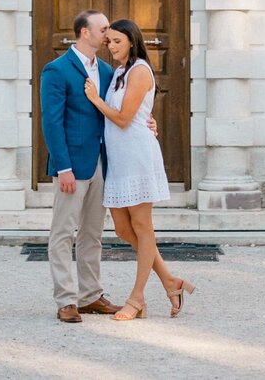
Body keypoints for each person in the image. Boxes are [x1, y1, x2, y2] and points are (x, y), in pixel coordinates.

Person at [84, 18, 196, 322]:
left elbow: (122, 118)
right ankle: (170, 281)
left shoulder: (141, 70)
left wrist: (94, 99)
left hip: (137, 156)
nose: (111, 45)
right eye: (109, 41)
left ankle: (137, 299)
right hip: (119, 159)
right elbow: (135, 115)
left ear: (132, 42)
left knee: (143, 227)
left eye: (118, 41)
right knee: (122, 228)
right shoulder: (119, 72)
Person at [39, 9, 123, 324]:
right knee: (62, 232)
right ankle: (66, 300)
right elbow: (51, 122)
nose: (108, 34)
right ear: (84, 32)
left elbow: (114, 112)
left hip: (101, 162)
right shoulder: (56, 70)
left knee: (93, 232)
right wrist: (63, 167)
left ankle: (90, 296)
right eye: (102, 29)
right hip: (71, 164)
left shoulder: (105, 69)